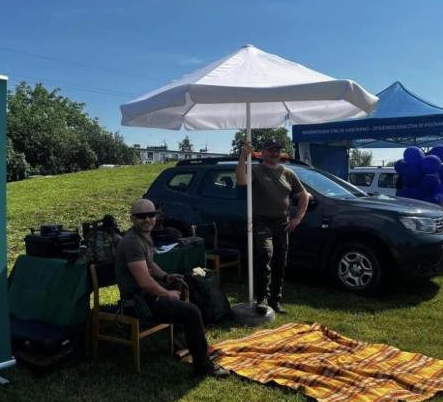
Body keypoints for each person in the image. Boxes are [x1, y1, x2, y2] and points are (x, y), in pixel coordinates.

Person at [114, 198, 228, 377]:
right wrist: (167, 293)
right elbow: (144, 282)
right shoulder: (132, 243)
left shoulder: (144, 236)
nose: (147, 220)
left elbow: (150, 266)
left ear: (156, 216)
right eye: (141, 216)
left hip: (146, 295)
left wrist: (166, 277)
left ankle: (188, 340)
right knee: (191, 311)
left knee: (190, 283)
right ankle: (202, 366)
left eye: (150, 215)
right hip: (137, 303)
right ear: (132, 219)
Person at [236, 139, 309, 314]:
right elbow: (241, 181)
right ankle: (262, 299)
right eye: (270, 150)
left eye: (277, 150)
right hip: (262, 222)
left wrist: (297, 218)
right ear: (262, 152)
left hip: (282, 224)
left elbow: (303, 195)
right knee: (264, 255)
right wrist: (243, 157)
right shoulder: (255, 169)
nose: (274, 153)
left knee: (280, 262)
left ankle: (275, 301)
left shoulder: (288, 173)